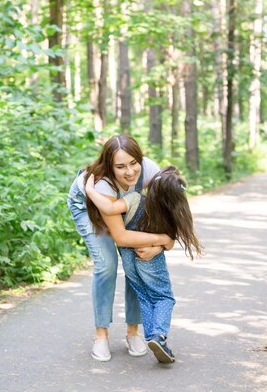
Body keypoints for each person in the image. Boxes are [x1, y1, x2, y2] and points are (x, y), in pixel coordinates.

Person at [67, 134, 174, 362]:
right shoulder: (102, 184)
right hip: (90, 208)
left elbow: (171, 211)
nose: (130, 172)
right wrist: (162, 238)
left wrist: (161, 245)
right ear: (109, 166)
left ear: (140, 158)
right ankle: (101, 335)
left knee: (136, 262)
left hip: (123, 204)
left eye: (134, 163)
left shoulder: (150, 170)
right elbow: (122, 237)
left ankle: (133, 331)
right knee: (107, 264)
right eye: (120, 166)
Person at [85, 166, 203, 363]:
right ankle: (158, 336)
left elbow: (109, 208)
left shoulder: (134, 199)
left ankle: (153, 339)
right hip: (150, 258)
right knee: (164, 297)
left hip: (129, 257)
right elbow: (169, 240)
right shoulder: (169, 212)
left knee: (143, 296)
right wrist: (157, 247)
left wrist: (90, 190)